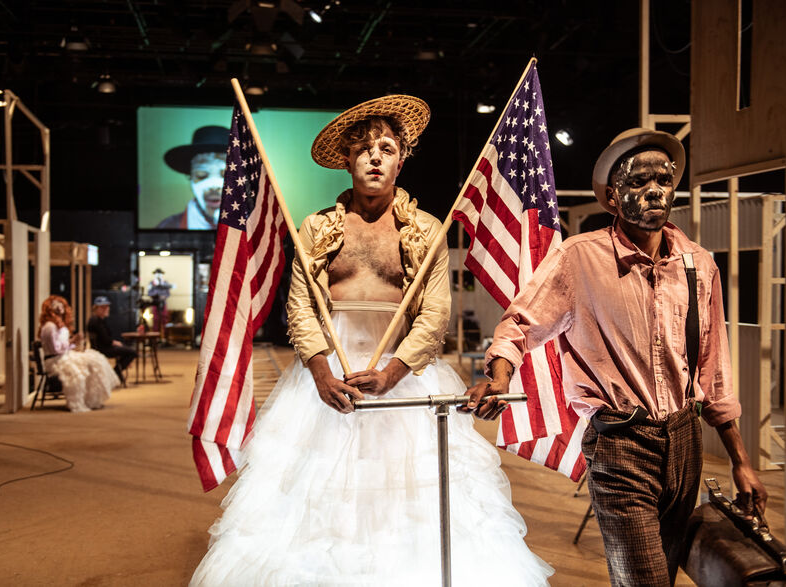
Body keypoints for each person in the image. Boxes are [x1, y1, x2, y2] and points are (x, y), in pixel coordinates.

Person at [191, 96, 552, 585]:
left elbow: (433, 313)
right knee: (315, 489)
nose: (376, 157)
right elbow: (300, 305)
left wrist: (391, 373)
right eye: (364, 150)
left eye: (387, 147)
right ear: (347, 161)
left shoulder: (425, 229)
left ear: (402, 159)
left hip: (400, 371)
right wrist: (319, 372)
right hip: (325, 374)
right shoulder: (317, 228)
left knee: (408, 490)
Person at [465, 128, 768, 585]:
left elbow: (714, 372)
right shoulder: (578, 259)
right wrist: (501, 376)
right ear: (611, 197)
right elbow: (520, 324)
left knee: (664, 572)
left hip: (685, 441)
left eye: (663, 181)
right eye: (637, 182)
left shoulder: (698, 264)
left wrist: (741, 460)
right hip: (621, 443)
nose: (654, 191)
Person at [39, 295, 119, 412]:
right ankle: (77, 402)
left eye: (61, 305)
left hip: (63, 356)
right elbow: (55, 350)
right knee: (79, 373)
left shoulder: (57, 326)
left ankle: (92, 399)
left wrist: (73, 343)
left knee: (95, 360)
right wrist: (72, 341)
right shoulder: (49, 327)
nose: (59, 308)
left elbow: (62, 347)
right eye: (56, 306)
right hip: (55, 360)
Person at [156, 126, 230, 229]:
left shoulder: (253, 229)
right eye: (201, 175)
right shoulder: (168, 227)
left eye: (225, 175)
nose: (214, 186)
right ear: (190, 178)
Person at [87, 295, 137, 384]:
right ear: (96, 308)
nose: (106, 309)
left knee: (126, 349)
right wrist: (115, 343)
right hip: (103, 349)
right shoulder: (96, 322)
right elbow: (105, 340)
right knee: (132, 352)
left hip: (103, 347)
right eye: (103, 307)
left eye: (107, 307)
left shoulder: (98, 320)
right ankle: (115, 373)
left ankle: (116, 372)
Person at [147, 268, 174, 337]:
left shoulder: (165, 283)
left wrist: (163, 296)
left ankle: (165, 336)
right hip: (155, 303)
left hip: (163, 303)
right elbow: (149, 293)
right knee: (156, 320)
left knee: (164, 319)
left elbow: (168, 294)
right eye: (157, 273)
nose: (158, 275)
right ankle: (155, 337)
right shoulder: (151, 283)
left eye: (160, 273)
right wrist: (155, 295)